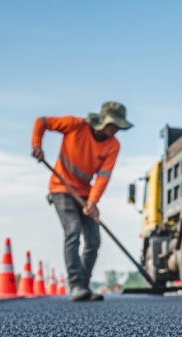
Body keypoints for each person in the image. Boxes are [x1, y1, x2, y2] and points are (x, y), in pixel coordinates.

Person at [31, 102, 133, 302]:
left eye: (118, 127)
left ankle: (84, 285)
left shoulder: (113, 145)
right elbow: (41, 122)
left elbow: (103, 176)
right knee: (73, 230)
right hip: (61, 188)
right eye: (112, 125)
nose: (114, 130)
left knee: (94, 240)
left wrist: (92, 202)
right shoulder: (76, 125)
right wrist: (37, 145)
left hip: (85, 194)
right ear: (102, 120)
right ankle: (75, 284)